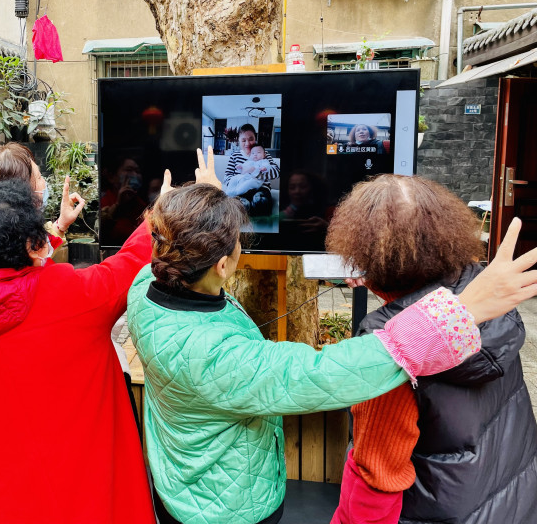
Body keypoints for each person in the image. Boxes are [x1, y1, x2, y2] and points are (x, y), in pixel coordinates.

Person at [126, 171, 537, 524]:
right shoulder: (497, 317)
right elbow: (321, 373)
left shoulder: (144, 287)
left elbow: (375, 478)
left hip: (184, 482)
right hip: (222, 507)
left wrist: (198, 208)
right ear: (221, 266)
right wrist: (462, 309)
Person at [0, 173, 180, 523]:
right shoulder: (74, 294)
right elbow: (130, 262)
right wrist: (162, 211)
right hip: (86, 500)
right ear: (30, 245)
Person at [326, 175, 537, 524]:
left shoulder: (388, 343)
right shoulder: (487, 295)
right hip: (509, 501)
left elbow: (377, 478)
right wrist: (387, 284)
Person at [0, 142, 85, 247]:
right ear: (20, 194)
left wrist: (62, 224)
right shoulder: (20, 252)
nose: (44, 182)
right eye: (39, 177)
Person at [223, 124, 279, 215]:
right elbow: (227, 176)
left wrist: (255, 172)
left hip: (261, 188)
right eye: (243, 140)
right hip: (241, 190)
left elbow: (277, 172)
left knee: (261, 202)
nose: (247, 143)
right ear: (238, 141)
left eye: (251, 139)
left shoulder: (263, 154)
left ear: (255, 139)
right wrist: (240, 183)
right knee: (238, 206)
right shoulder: (235, 156)